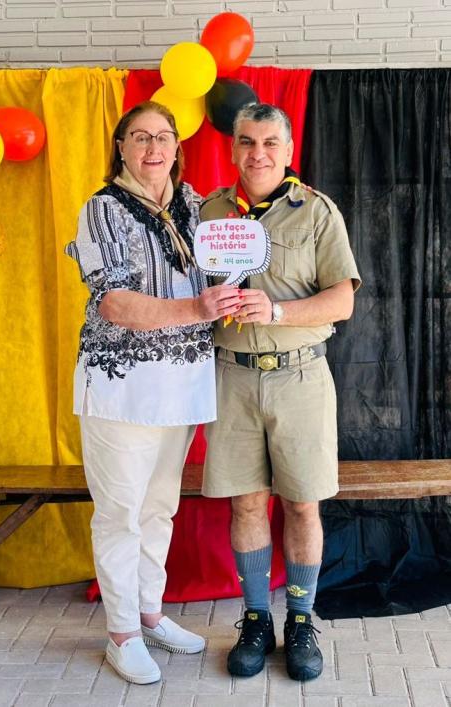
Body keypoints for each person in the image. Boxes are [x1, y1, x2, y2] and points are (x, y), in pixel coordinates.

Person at [65, 101, 241, 685]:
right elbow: (113, 301)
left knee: (160, 506)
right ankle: (121, 634)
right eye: (139, 137)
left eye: (163, 136)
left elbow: (230, 266)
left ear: (176, 145)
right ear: (121, 146)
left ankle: (149, 612)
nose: (153, 147)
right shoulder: (103, 209)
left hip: (182, 384)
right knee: (121, 513)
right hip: (122, 387)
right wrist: (198, 307)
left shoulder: (196, 207)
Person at [200, 103, 361, 682]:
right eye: (247, 141)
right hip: (232, 376)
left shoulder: (317, 212)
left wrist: (276, 308)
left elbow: (341, 301)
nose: (258, 153)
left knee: (301, 504)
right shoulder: (212, 213)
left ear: (289, 149)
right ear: (233, 147)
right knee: (245, 503)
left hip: (299, 376)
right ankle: (253, 618)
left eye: (270, 142)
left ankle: (299, 617)